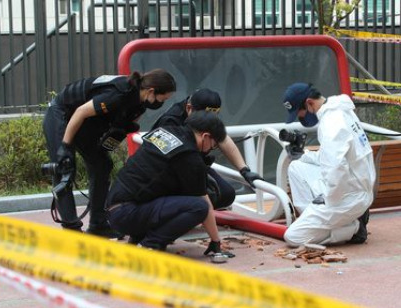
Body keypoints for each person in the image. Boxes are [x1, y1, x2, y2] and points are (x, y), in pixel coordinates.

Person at [43, 69, 176, 238]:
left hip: (86, 121)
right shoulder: (118, 94)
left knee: (102, 165)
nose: (161, 103)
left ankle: (98, 224)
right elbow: (80, 112)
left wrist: (115, 135)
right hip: (63, 113)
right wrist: (65, 146)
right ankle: (72, 229)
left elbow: (119, 126)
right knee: (64, 168)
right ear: (151, 91)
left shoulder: (140, 104)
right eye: (162, 98)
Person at [106, 110, 234, 257]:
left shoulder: (166, 131)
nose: (212, 148)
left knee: (170, 189)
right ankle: (150, 245)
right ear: (205, 136)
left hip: (114, 207)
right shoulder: (189, 156)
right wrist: (216, 242)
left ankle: (138, 237)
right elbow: (204, 203)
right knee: (199, 207)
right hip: (127, 214)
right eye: (214, 144)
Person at [282, 82, 376, 247]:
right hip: (353, 186)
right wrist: (304, 156)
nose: (301, 118)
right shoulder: (341, 112)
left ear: (309, 103)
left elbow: (336, 168)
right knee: (296, 167)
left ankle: (354, 227)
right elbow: (332, 157)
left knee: (293, 237)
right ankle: (324, 221)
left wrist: (326, 198)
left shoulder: (331, 123)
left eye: (300, 113)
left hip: (348, 197)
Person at [151, 88, 263, 210]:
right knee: (201, 200)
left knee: (226, 195)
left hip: (193, 163)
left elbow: (222, 138)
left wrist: (244, 170)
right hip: (168, 169)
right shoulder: (170, 121)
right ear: (189, 108)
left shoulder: (203, 109)